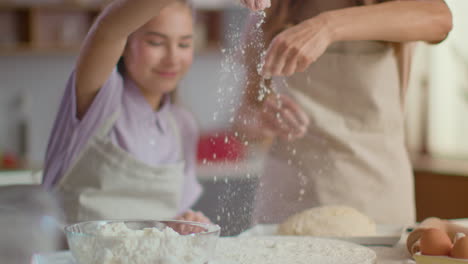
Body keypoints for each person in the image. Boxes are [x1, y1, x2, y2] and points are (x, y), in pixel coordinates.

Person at [235, 0, 452, 225]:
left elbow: (440, 18)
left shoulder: (394, 8)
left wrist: (327, 27)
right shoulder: (272, 12)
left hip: (374, 199)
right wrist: (263, 121)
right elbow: (245, 115)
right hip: (287, 202)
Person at [42, 0, 209, 224]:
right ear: (125, 44)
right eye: (156, 42)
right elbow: (109, 30)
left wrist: (186, 224)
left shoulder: (182, 125)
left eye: (184, 44)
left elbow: (171, 221)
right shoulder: (100, 99)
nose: (172, 58)